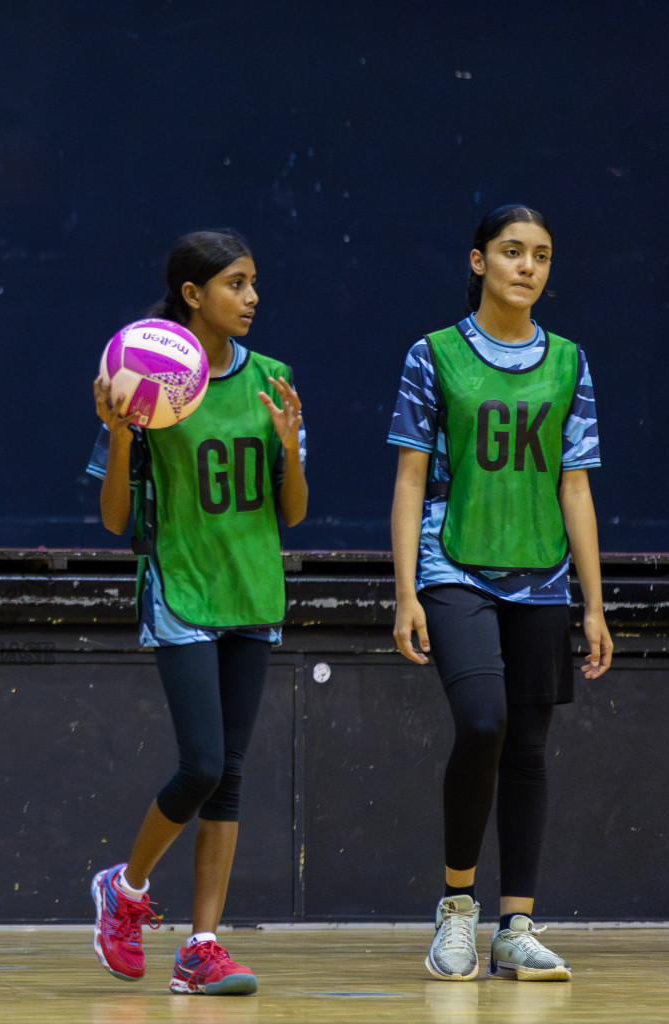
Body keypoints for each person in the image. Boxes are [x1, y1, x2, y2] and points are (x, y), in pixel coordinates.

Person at [388, 204, 610, 983]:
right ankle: (456, 907)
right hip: (453, 568)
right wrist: (405, 591)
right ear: (477, 261)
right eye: (512, 251)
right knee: (482, 720)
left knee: (526, 747)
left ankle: (515, 926)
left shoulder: (569, 362)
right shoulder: (433, 354)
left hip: (541, 576)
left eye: (540, 255)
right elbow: (409, 479)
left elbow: (574, 487)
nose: (527, 267)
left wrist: (592, 603)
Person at [88, 230, 306, 996]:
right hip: (181, 586)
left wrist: (290, 447)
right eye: (235, 283)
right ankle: (126, 888)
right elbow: (114, 520)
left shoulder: (273, 378)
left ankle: (200, 946)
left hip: (251, 588)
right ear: (192, 294)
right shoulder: (141, 374)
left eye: (253, 283)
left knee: (229, 776)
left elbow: (292, 512)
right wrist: (119, 436)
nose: (251, 298)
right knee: (202, 764)